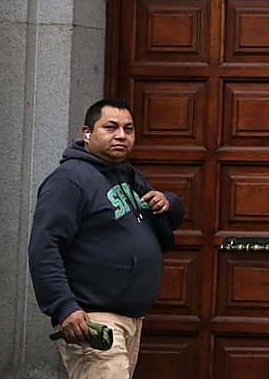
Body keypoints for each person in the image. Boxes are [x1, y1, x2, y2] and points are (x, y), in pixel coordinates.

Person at [29, 98, 184, 379]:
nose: (121, 135)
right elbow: (45, 245)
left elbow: (162, 229)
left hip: (130, 319)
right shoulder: (70, 180)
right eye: (111, 127)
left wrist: (168, 202)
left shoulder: (127, 176)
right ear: (87, 133)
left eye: (129, 129)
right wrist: (64, 307)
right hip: (93, 317)